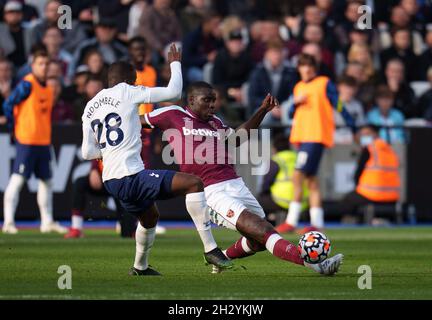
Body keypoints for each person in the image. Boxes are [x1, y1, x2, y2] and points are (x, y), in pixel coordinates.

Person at [142, 81, 343, 276]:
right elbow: (134, 120)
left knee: (258, 241)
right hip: (210, 191)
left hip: (235, 184)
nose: (213, 104)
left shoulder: (216, 122)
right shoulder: (173, 114)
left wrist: (262, 110)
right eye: (207, 100)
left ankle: (221, 257)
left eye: (214, 100)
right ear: (192, 100)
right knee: (263, 230)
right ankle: (315, 264)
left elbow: (237, 140)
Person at [81, 44, 232, 275]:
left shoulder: (90, 106)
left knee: (150, 216)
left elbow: (87, 152)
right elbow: (174, 92)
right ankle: (210, 249)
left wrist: (109, 151)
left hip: (111, 180)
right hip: (131, 175)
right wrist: (175, 63)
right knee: (193, 183)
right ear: (130, 79)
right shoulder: (127, 91)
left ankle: (140, 267)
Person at [275, 54, 355, 234]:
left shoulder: (324, 83)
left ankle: (291, 221)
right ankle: (317, 223)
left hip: (316, 135)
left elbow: (338, 103)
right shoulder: (298, 87)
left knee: (297, 175)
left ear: (314, 68)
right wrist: (295, 103)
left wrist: (351, 123)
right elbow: (292, 113)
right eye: (303, 66)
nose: (306, 69)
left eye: (309, 65)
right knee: (311, 180)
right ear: (299, 68)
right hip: (302, 136)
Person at [2, 49, 66, 234]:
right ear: (33, 66)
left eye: (47, 64)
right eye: (40, 64)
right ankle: (8, 222)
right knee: (18, 179)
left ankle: (47, 222)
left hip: (43, 141)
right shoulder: (27, 85)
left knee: (47, 181)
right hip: (27, 140)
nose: (44, 67)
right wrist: (13, 128)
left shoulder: (47, 87)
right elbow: (8, 104)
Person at [339, 124, 400, 223]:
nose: (364, 137)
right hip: (392, 196)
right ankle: (378, 219)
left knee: (346, 201)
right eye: (362, 134)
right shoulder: (389, 149)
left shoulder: (369, 149)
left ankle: (357, 221)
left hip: (372, 194)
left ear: (375, 134)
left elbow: (358, 173)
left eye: (367, 134)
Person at [64, 159, 137, 239]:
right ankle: (76, 227)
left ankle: (133, 227)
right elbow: (98, 151)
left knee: (127, 233)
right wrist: (94, 169)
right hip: (102, 179)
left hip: (120, 180)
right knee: (80, 183)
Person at [257, 134, 308, 225]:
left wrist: (264, 192)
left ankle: (270, 223)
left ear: (274, 148)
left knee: (259, 200)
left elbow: (266, 183)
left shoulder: (276, 160)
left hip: (281, 201)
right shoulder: (298, 158)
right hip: (302, 202)